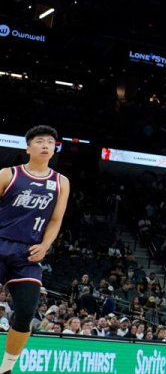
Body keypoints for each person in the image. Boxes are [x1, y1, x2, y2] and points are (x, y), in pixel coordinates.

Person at [0, 126, 71, 374]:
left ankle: (6, 368)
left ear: (54, 148)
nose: (45, 145)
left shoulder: (61, 182)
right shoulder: (8, 174)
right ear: (28, 148)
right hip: (1, 241)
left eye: (50, 142)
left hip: (29, 253)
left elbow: (55, 220)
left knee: (27, 310)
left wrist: (45, 245)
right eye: (39, 141)